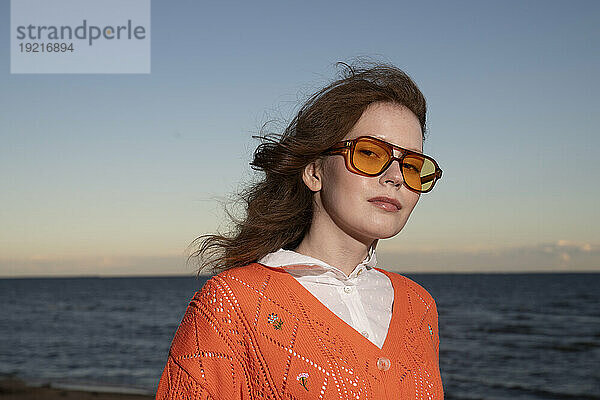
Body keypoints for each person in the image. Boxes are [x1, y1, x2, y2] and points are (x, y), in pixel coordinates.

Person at [155, 60, 444, 399]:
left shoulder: (419, 306)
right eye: (369, 153)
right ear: (314, 172)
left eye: (412, 165)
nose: (395, 177)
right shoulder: (233, 303)